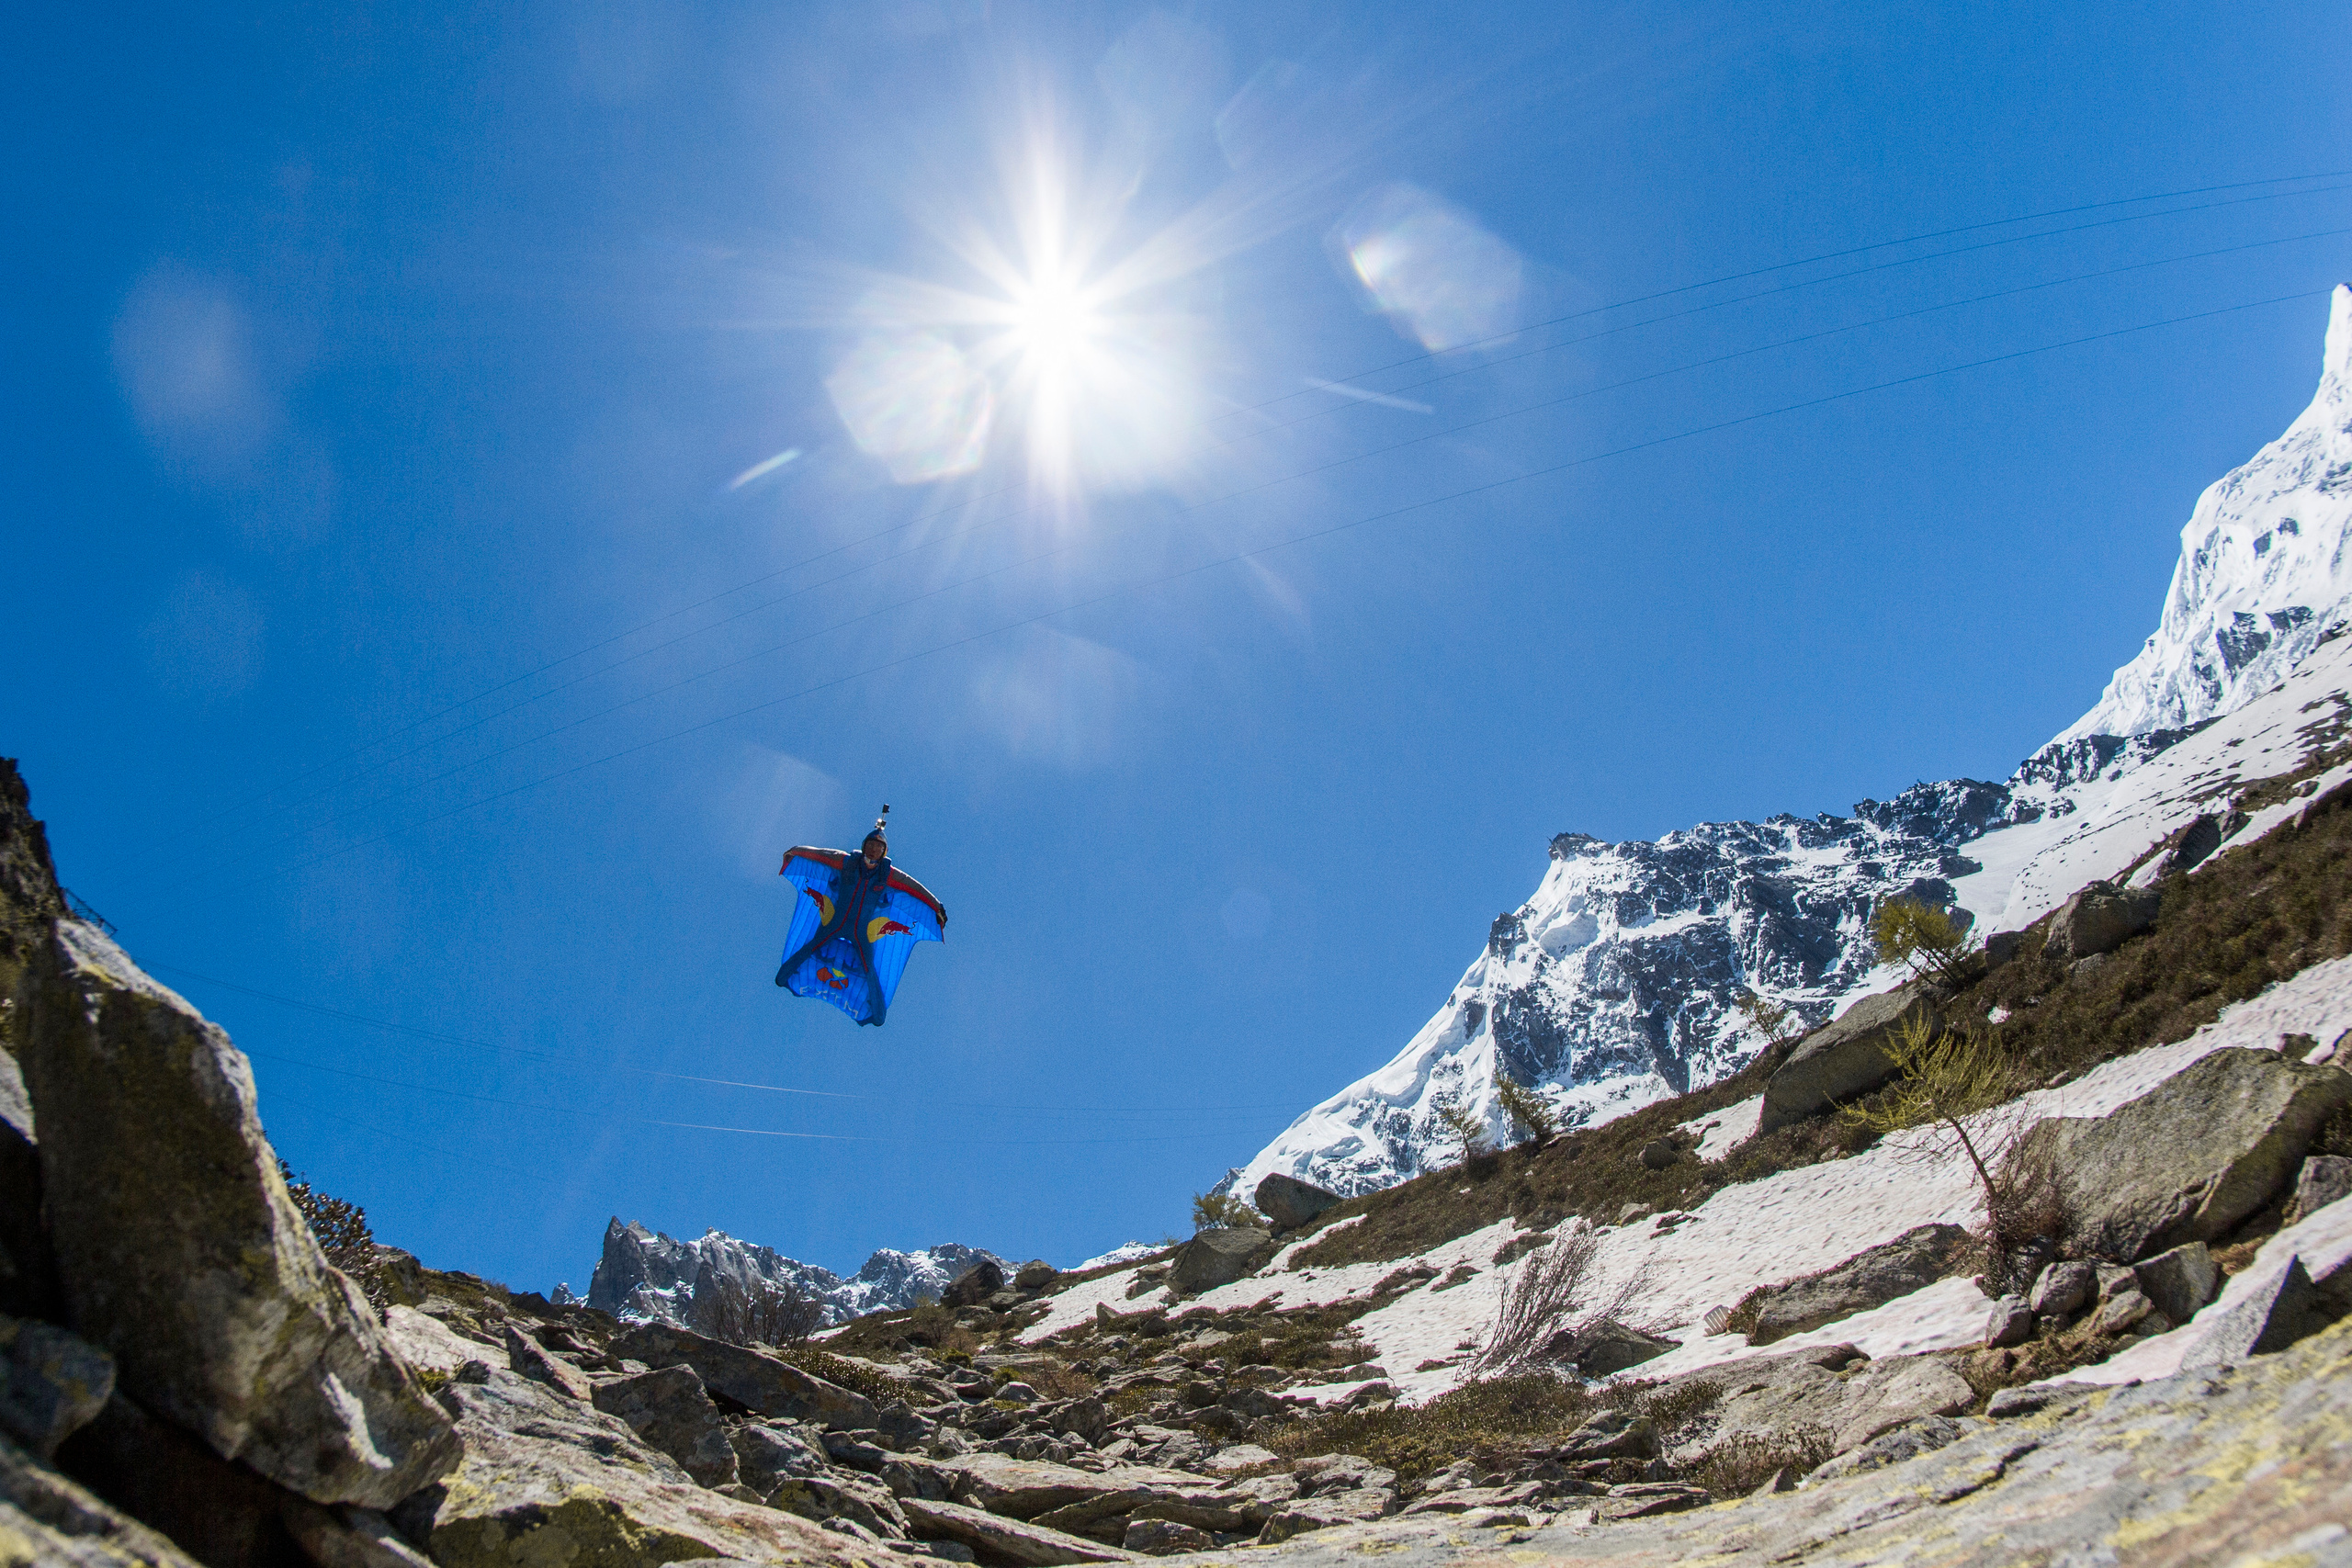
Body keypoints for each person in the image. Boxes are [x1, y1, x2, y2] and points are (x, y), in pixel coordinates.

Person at [773, 816, 944, 1025]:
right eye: (870, 846)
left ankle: (877, 1013)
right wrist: (796, 852)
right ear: (864, 847)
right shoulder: (847, 862)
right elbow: (821, 855)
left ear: (883, 853)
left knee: (868, 966)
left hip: (860, 932)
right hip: (834, 923)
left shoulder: (887, 875)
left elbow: (914, 888)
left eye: (878, 849)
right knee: (811, 947)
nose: (873, 851)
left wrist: (937, 907)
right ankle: (785, 976)